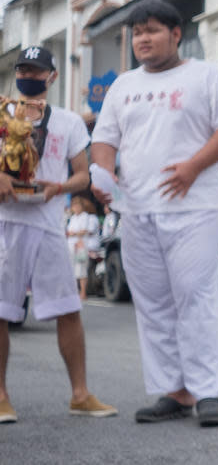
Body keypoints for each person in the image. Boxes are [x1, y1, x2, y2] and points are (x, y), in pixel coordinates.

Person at [90, 0, 218, 427]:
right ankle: (174, 391)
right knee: (153, 304)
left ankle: (208, 392)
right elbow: (104, 141)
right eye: (137, 33)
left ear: (176, 34)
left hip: (195, 209)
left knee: (196, 297)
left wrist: (193, 167)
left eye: (152, 30)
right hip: (138, 210)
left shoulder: (205, 76)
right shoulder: (123, 86)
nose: (143, 38)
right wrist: (103, 176)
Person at [0, 46, 117, 424]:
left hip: (49, 223)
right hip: (5, 222)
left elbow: (83, 174)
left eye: (37, 70)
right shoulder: (1, 111)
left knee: (68, 309)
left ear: (51, 77)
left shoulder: (68, 122)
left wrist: (59, 188)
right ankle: (0, 396)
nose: (30, 75)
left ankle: (80, 394)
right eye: (24, 69)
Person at [66, 193, 100, 301]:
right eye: (74, 206)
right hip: (71, 245)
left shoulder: (86, 216)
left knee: (81, 270)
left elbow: (84, 231)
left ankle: (83, 292)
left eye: (77, 205)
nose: (75, 208)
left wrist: (74, 234)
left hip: (81, 246)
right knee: (71, 270)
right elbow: (69, 231)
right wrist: (74, 233)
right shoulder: (73, 217)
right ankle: (74, 292)